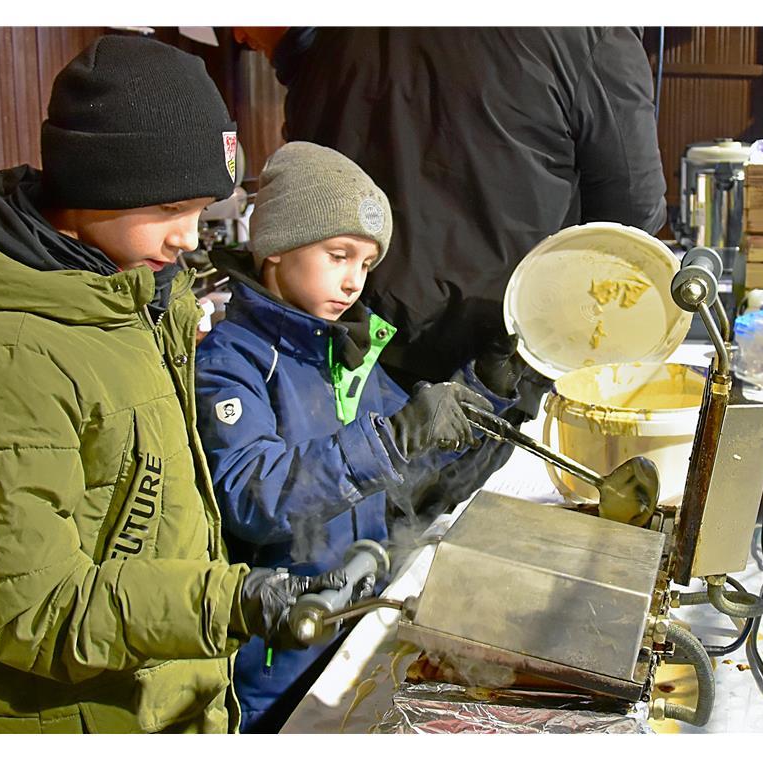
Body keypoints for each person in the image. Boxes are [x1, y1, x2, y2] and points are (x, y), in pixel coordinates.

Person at [0, 35, 346, 734]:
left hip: (160, 699)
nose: (189, 238)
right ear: (94, 186)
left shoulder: (125, 299)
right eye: (168, 211)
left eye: (201, 210)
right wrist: (229, 604)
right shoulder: (1, 359)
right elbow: (35, 610)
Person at [234, 26, 668, 520]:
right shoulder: (586, 32)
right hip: (503, 363)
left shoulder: (331, 35)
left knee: (368, 542)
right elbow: (633, 219)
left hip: (360, 354)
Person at [195, 141, 523, 732]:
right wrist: (394, 438)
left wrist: (487, 397)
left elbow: (421, 476)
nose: (352, 281)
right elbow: (253, 498)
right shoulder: (232, 361)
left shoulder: (347, 356)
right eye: (338, 254)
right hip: (275, 659)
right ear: (275, 247)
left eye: (366, 264)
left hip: (355, 636)